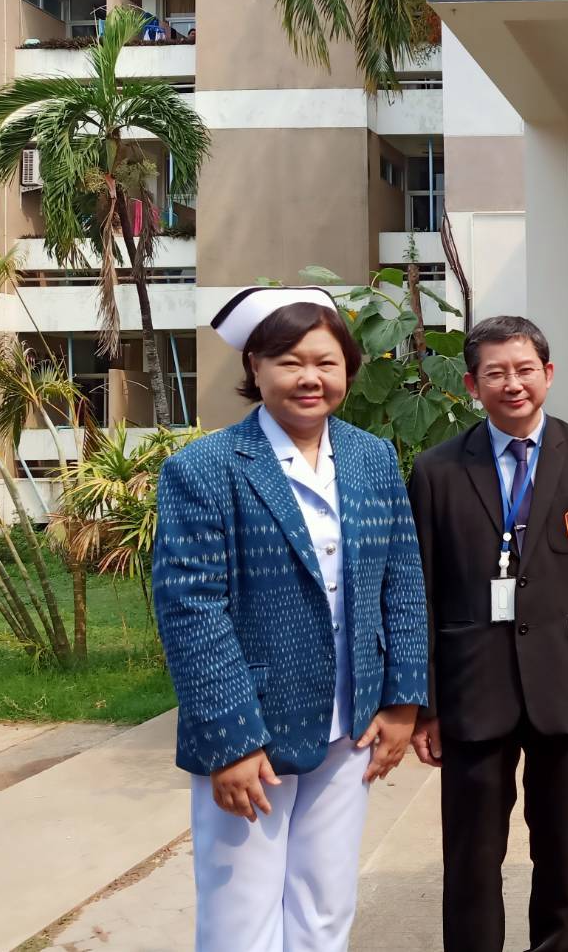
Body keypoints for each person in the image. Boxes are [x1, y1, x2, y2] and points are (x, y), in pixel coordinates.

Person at [152, 286, 429, 952]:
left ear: (348, 369)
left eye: (326, 362)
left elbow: (402, 581)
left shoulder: (370, 457)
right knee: (240, 919)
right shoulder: (204, 468)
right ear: (255, 367)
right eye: (289, 361)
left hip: (350, 723)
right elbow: (191, 609)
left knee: (325, 906)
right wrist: (230, 741)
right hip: (253, 729)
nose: (311, 378)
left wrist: (403, 701)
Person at [407, 315, 568, 952]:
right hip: (471, 689)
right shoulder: (437, 470)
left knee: (563, 853)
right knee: (472, 858)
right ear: (472, 385)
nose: (512, 384)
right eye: (495, 373)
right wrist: (425, 704)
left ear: (548, 374)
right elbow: (421, 592)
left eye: (524, 370)